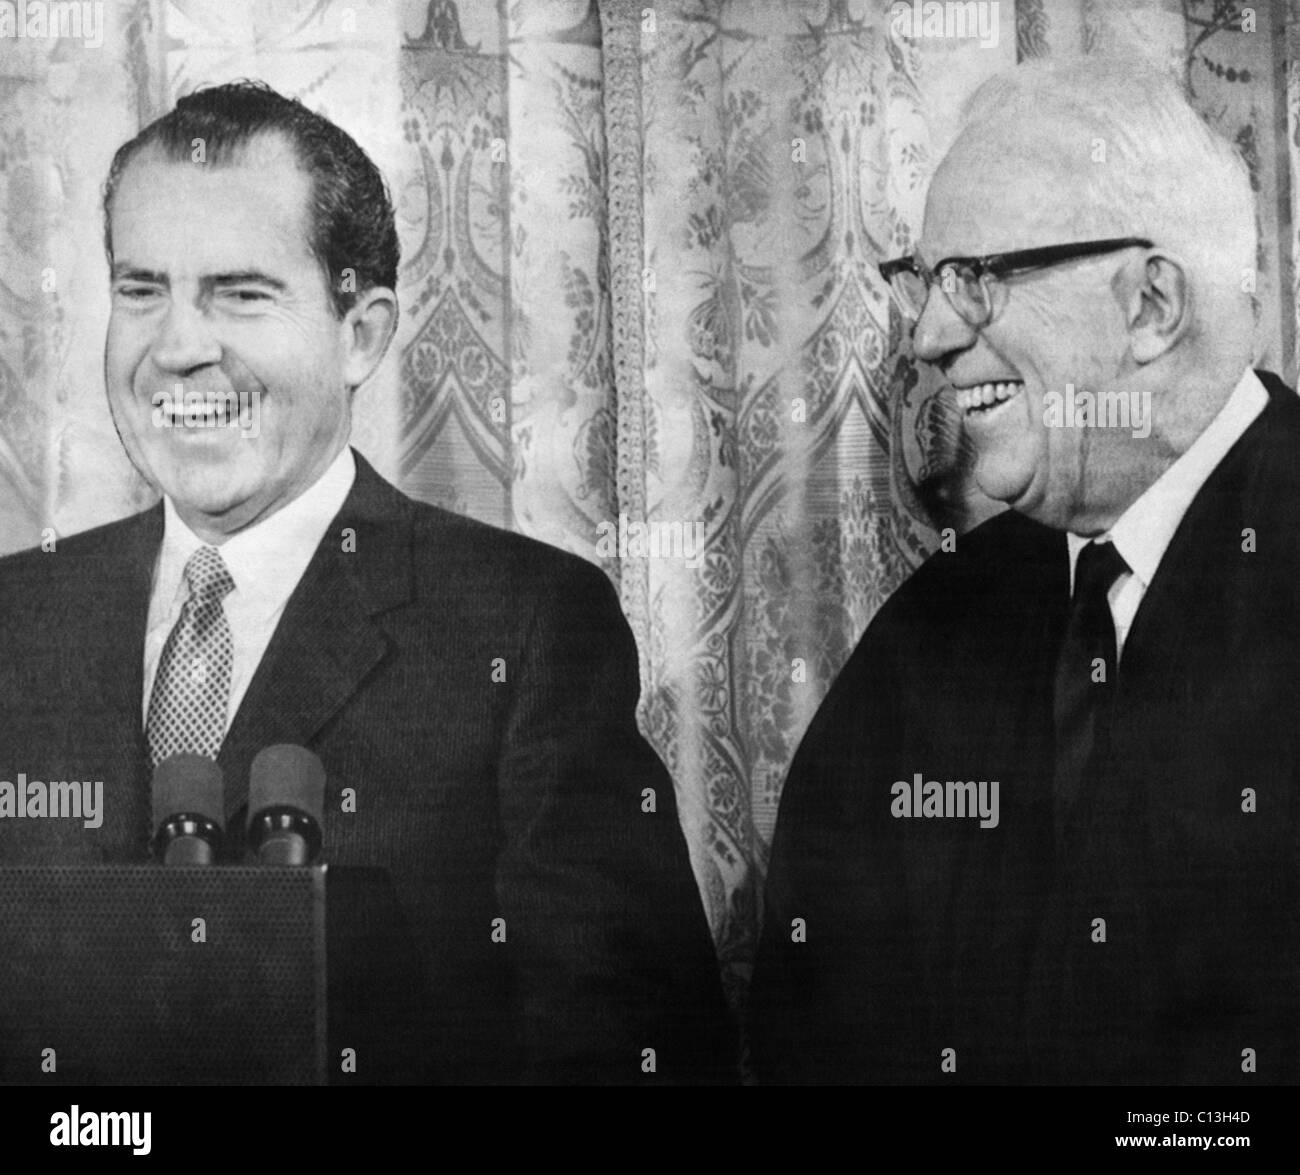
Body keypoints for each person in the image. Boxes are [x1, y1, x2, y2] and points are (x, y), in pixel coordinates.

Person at [0, 81, 734, 1085]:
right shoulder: (17, 617)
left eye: (241, 292)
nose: (176, 348)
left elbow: (635, 1050)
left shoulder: (523, 629)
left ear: (362, 332)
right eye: (142, 290)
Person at [750, 55, 1299, 1084]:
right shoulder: (937, 620)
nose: (929, 335)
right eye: (923, 282)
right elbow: (814, 1012)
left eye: (978, 279)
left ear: (1150, 305)